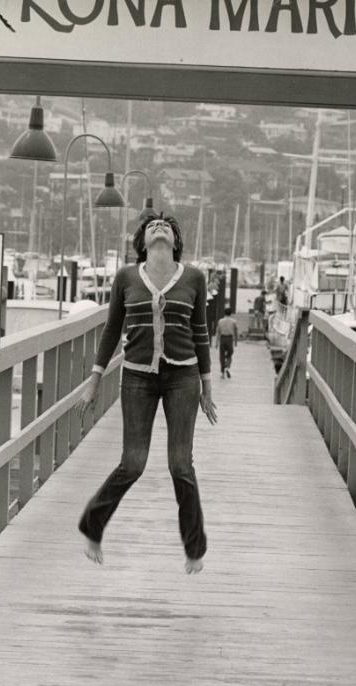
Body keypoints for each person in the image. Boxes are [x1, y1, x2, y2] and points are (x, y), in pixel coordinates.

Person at [76, 214, 216, 575]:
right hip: (137, 376)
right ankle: (93, 527)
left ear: (175, 241)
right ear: (142, 242)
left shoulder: (194, 277)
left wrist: (207, 386)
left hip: (183, 377)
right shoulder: (125, 277)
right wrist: (94, 379)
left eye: (166, 226)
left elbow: (201, 332)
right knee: (133, 463)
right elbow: (110, 331)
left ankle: (194, 548)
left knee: (180, 465)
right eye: (152, 226)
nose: (159, 227)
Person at [215, 307, 238, 379]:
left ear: (224, 313)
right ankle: (227, 366)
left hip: (222, 338)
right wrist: (236, 342)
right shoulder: (233, 321)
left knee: (221, 355)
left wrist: (216, 342)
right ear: (231, 313)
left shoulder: (220, 321)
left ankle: (222, 372)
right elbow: (236, 332)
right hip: (229, 338)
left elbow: (218, 332)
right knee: (230, 353)